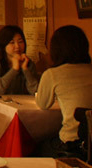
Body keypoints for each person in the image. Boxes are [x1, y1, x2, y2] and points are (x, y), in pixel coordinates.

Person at [36, 25, 92, 158]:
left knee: (36, 145)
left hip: (73, 144)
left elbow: (43, 104)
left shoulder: (53, 74)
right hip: (89, 142)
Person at [0, 25, 38, 96]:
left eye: (20, 42)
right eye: (12, 42)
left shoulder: (28, 62)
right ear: (3, 45)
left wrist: (25, 69)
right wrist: (14, 70)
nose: (17, 46)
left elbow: (36, 92)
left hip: (22, 102)